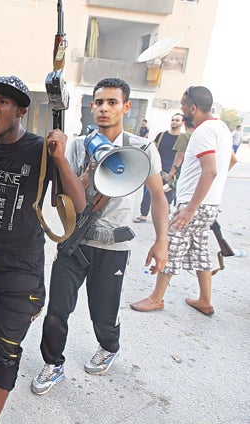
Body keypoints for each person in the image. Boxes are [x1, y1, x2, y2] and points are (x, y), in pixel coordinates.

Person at [0, 75, 85, 424]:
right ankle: (18, 314)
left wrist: (62, 159)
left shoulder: (41, 149)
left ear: (20, 112)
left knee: (7, 351)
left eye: (2, 102)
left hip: (23, 262)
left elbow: (79, 202)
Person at [31, 77, 168, 396]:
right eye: (98, 102)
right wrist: (63, 160)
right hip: (74, 241)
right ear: (91, 106)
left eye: (112, 102)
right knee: (57, 311)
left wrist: (162, 240)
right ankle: (53, 363)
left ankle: (109, 345)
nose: (104, 108)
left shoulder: (141, 148)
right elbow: (77, 202)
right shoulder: (77, 145)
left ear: (126, 107)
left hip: (114, 246)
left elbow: (158, 196)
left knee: (104, 312)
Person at [130, 86, 236, 315]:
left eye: (183, 105)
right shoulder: (222, 128)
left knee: (171, 245)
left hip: (193, 204)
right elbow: (232, 160)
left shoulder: (203, 132)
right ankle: (205, 300)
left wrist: (190, 208)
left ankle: (156, 298)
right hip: (208, 203)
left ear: (193, 107)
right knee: (199, 251)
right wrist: (212, 191)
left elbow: (209, 171)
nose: (182, 109)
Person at [134, 113, 184, 223]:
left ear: (182, 123)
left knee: (167, 195)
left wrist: (173, 172)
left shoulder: (182, 138)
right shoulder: (162, 135)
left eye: (177, 120)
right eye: (173, 119)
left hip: (171, 170)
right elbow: (154, 149)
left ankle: (163, 216)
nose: (174, 122)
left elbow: (181, 156)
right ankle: (143, 214)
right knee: (148, 192)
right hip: (156, 169)